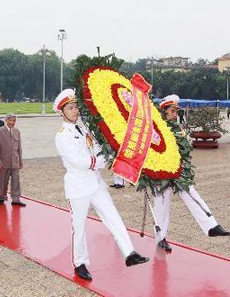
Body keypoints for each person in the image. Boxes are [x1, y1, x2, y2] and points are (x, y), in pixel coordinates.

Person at [53, 89, 149, 281]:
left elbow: (97, 149)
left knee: (113, 216)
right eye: (70, 108)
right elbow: (78, 161)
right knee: (79, 228)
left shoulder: (83, 129)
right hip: (78, 186)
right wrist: (99, 161)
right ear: (62, 112)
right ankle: (80, 263)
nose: (75, 111)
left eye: (76, 107)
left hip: (95, 182)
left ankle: (129, 252)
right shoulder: (62, 135)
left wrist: (106, 157)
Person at [154, 95, 230, 252]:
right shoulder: (156, 130)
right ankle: (161, 238)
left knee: (192, 194)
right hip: (160, 173)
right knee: (161, 206)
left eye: (176, 111)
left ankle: (211, 226)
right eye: (172, 111)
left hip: (177, 171)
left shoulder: (178, 129)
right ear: (164, 113)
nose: (175, 114)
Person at [0, 113, 26, 206]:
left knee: (16, 181)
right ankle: (1, 197)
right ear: (6, 120)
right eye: (10, 120)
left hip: (15, 161)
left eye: (14, 121)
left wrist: (20, 160)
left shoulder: (17, 131)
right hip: (3, 162)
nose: (12, 122)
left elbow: (19, 147)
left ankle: (16, 199)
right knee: (3, 181)